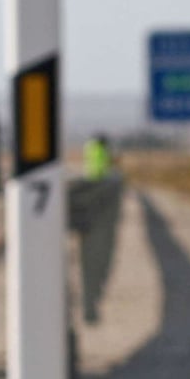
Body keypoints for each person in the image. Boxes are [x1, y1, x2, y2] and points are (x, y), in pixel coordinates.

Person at [73, 133, 123, 323]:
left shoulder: (91, 146)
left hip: (94, 184)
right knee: (95, 260)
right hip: (97, 186)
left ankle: (89, 305)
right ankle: (89, 306)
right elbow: (102, 166)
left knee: (93, 262)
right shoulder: (100, 148)